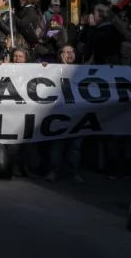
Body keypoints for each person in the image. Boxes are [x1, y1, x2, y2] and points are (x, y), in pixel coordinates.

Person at [46, 43, 84, 183]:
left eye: (72, 51)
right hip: (59, 113)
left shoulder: (82, 69)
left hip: (77, 113)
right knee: (57, 144)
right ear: (60, 54)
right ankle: (53, 171)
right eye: (66, 51)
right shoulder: (54, 70)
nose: (69, 54)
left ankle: (74, 172)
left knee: (75, 146)